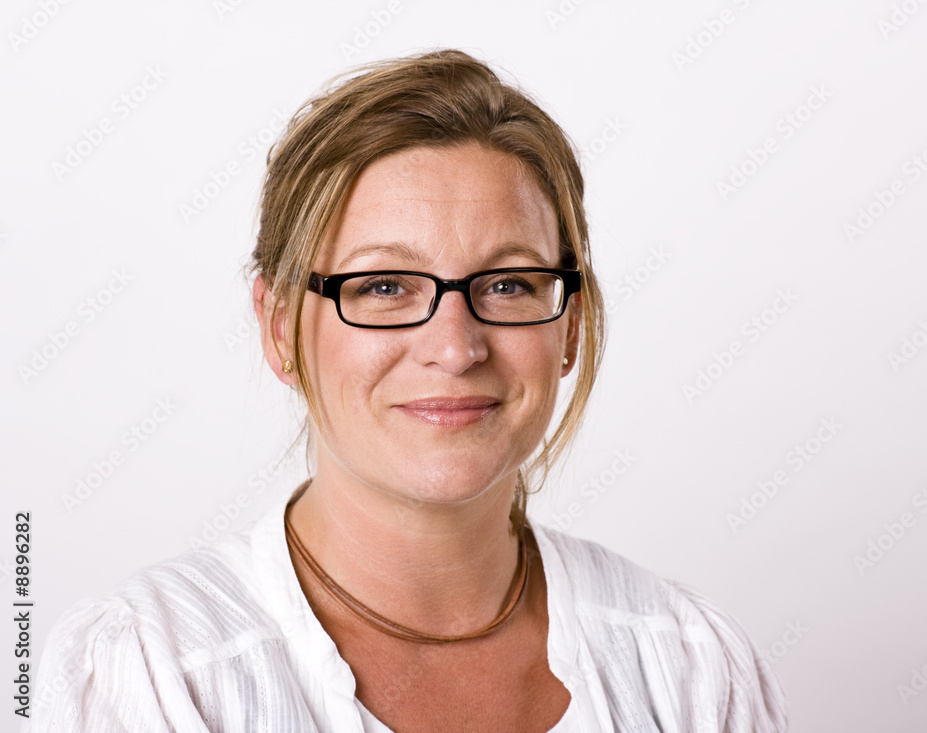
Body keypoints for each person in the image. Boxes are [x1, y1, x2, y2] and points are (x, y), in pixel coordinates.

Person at [30, 49, 787, 732]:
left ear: (572, 327)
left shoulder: (690, 667)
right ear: (280, 325)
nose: (455, 347)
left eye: (510, 283)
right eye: (385, 284)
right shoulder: (154, 670)